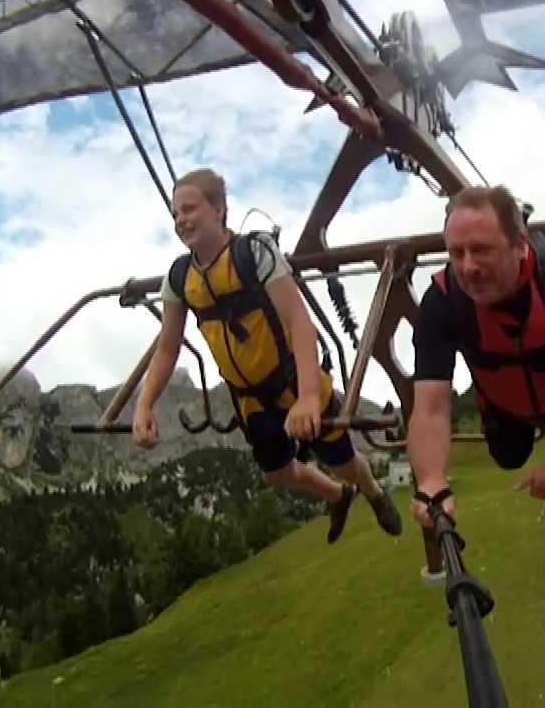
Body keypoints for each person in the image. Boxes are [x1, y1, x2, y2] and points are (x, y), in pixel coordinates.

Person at [132, 168, 402, 544]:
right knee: (276, 472)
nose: (181, 220)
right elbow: (167, 346)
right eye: (176, 214)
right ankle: (337, 495)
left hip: (294, 380)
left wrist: (308, 396)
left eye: (190, 209)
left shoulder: (253, 254)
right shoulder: (179, 278)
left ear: (219, 210)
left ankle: (371, 490)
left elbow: (298, 320)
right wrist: (144, 405)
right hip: (250, 397)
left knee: (341, 460)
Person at [407, 184, 545, 526]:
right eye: (456, 253)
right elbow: (430, 406)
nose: (467, 268)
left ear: (519, 246)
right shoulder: (442, 300)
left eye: (481, 250)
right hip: (504, 410)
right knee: (509, 457)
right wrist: (432, 479)